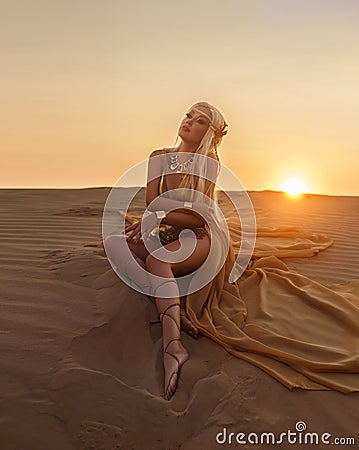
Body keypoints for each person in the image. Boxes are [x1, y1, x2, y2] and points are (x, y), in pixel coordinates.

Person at [104, 101, 228, 400]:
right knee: (115, 244)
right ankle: (172, 306)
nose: (188, 122)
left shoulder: (208, 162)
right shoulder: (159, 156)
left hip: (201, 236)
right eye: (188, 115)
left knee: (159, 260)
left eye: (199, 121)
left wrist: (158, 211)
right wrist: (155, 215)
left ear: (209, 133)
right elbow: (151, 202)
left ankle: (173, 346)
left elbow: (199, 216)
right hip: (168, 229)